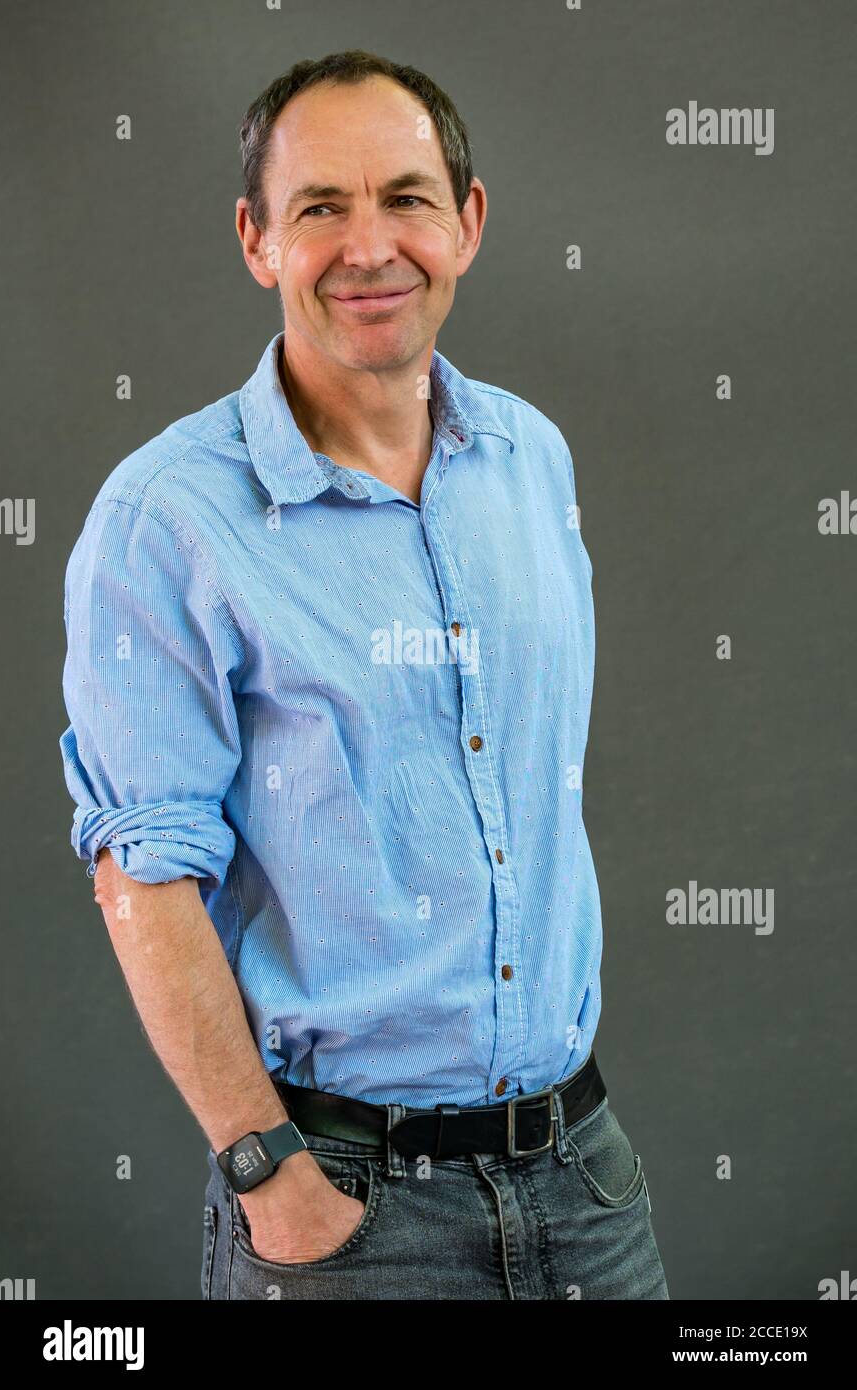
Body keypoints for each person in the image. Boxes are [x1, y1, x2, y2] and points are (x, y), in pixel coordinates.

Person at [59, 48, 669, 1300]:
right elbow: (146, 872)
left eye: (406, 197)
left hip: (583, 1178)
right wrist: (265, 1174)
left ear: (469, 222)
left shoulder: (529, 459)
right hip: (345, 1210)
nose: (369, 245)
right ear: (256, 240)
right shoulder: (168, 518)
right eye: (319, 207)